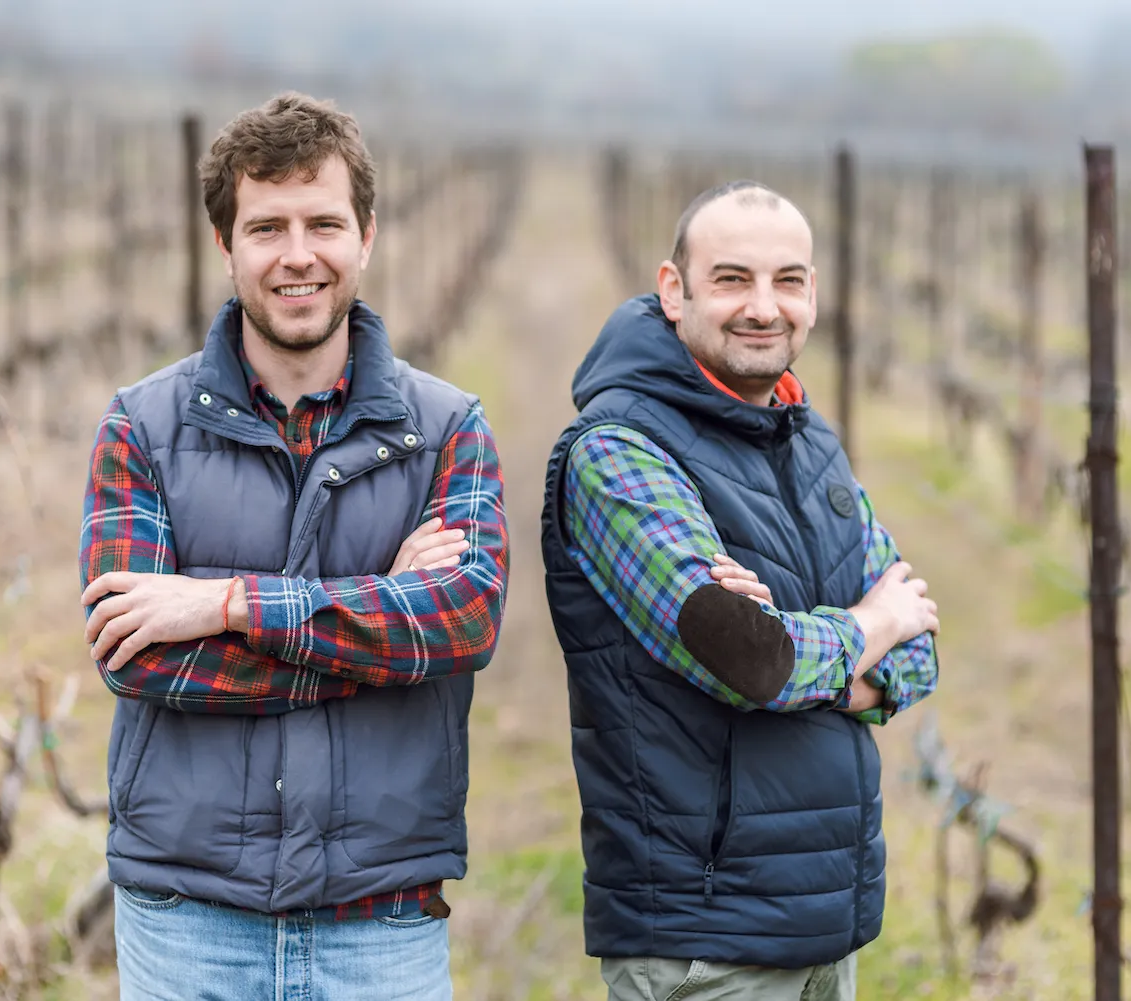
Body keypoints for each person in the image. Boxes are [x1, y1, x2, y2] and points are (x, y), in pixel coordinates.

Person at [77, 92, 508, 1001]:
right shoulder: (141, 427)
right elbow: (140, 659)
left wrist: (225, 604)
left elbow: (463, 624)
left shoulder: (447, 428)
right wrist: (379, 623)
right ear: (225, 245)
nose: (298, 254)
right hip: (186, 920)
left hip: (380, 919)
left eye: (324, 222)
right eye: (267, 226)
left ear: (368, 235)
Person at [540, 180, 939, 1001]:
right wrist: (868, 624)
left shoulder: (805, 437)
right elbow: (749, 658)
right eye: (731, 279)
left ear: (814, 294)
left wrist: (825, 647)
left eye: (788, 280)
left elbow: (922, 644)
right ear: (673, 289)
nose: (764, 306)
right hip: (704, 942)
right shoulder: (618, 452)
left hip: (830, 925)